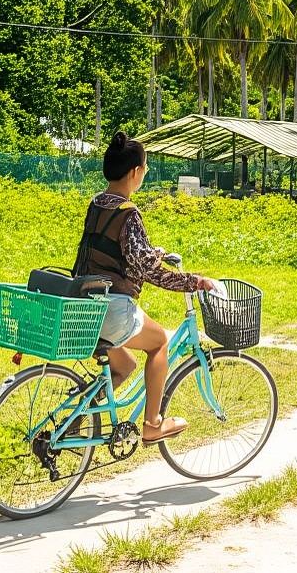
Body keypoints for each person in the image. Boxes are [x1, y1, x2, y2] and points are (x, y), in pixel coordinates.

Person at [74, 131, 217, 444]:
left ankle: (74, 419)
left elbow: (114, 251)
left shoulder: (96, 204)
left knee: (124, 365)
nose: (146, 172)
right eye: (146, 168)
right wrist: (195, 281)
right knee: (158, 343)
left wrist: (154, 253)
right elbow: (148, 269)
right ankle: (153, 424)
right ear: (134, 173)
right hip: (112, 309)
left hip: (82, 305)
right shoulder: (128, 212)